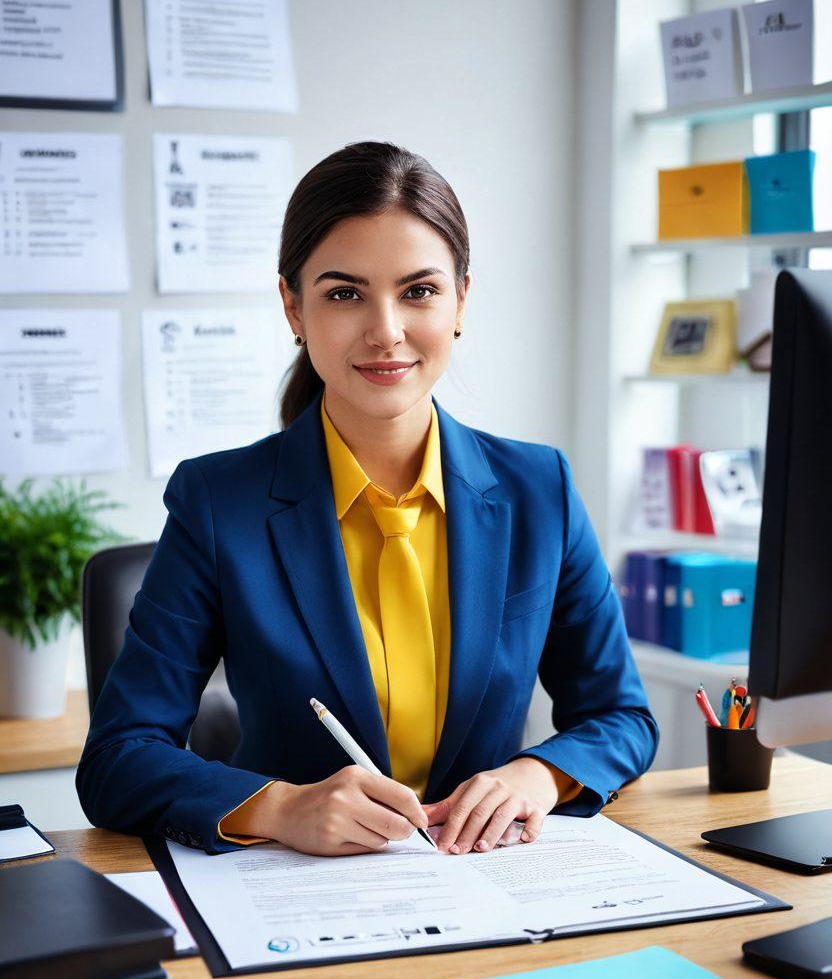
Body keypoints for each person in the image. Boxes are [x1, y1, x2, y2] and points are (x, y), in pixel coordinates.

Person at [76, 140, 658, 858]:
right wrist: (279, 807)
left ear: (460, 301)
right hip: (296, 904)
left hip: (489, 889)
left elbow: (621, 718)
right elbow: (117, 758)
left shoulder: (542, 490)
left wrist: (537, 776)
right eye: (344, 293)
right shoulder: (216, 503)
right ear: (293, 306)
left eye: (419, 291)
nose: (387, 331)